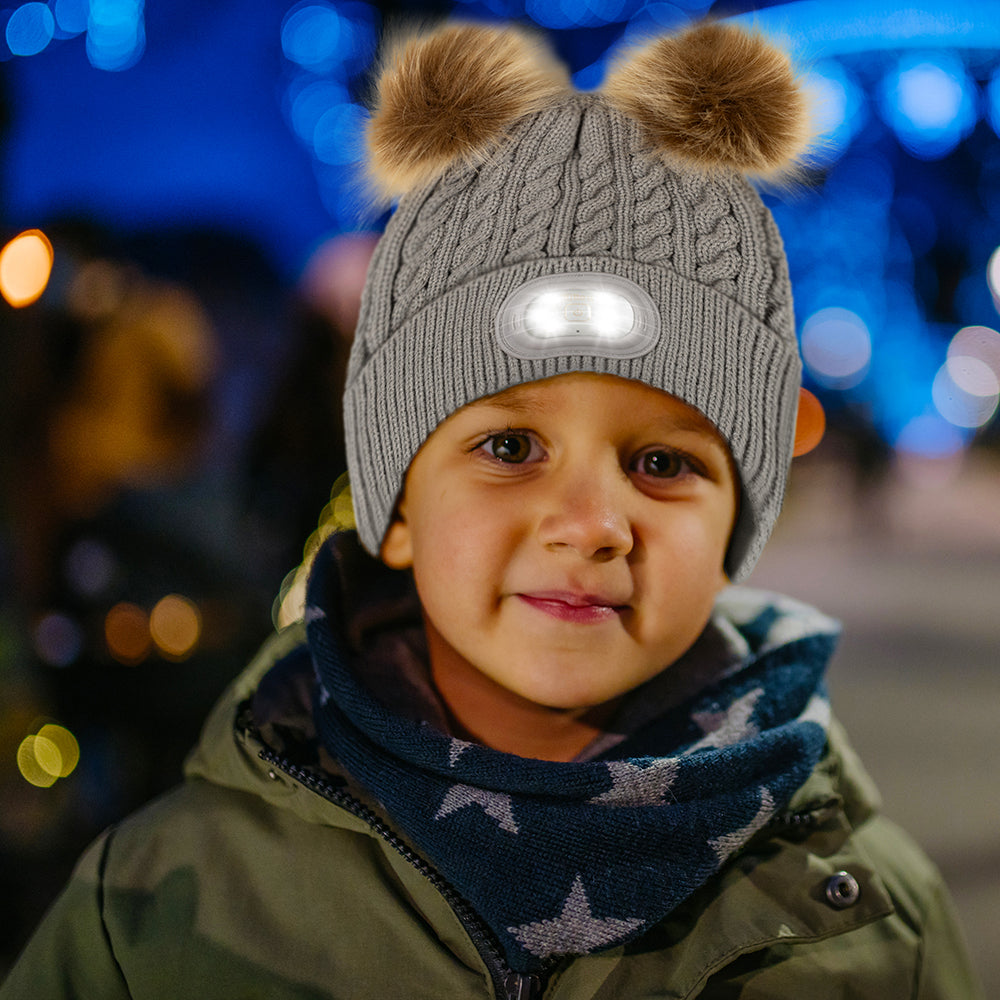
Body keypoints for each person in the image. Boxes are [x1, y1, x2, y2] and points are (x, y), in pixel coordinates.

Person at [1, 20, 984, 999]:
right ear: (394, 506)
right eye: (509, 447)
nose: (591, 522)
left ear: (735, 523)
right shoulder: (160, 913)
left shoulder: (863, 927)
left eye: (659, 460)